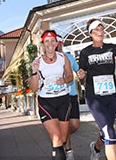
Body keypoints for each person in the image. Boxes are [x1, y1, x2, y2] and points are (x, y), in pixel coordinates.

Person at [77, 19, 116, 160]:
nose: (100, 32)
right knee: (110, 132)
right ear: (91, 33)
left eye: (102, 29)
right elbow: (83, 76)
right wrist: (81, 76)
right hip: (94, 97)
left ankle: (96, 147)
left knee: (106, 128)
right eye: (96, 30)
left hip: (111, 96)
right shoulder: (85, 52)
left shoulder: (112, 48)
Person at [30, 30, 73, 160]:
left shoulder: (62, 58)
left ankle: (57, 152)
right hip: (46, 102)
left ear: (56, 43)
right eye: (46, 41)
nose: (50, 43)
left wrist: (64, 80)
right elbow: (33, 88)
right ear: (42, 44)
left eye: (52, 40)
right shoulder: (37, 61)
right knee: (57, 138)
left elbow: (70, 76)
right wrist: (33, 72)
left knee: (63, 138)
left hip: (63, 101)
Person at [56, 35, 80, 160]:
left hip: (72, 94)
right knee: (65, 123)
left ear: (62, 43)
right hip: (60, 97)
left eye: (59, 42)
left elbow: (78, 71)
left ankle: (61, 137)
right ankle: (68, 151)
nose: (57, 45)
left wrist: (82, 75)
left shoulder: (70, 57)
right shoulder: (51, 60)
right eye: (55, 43)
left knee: (75, 125)